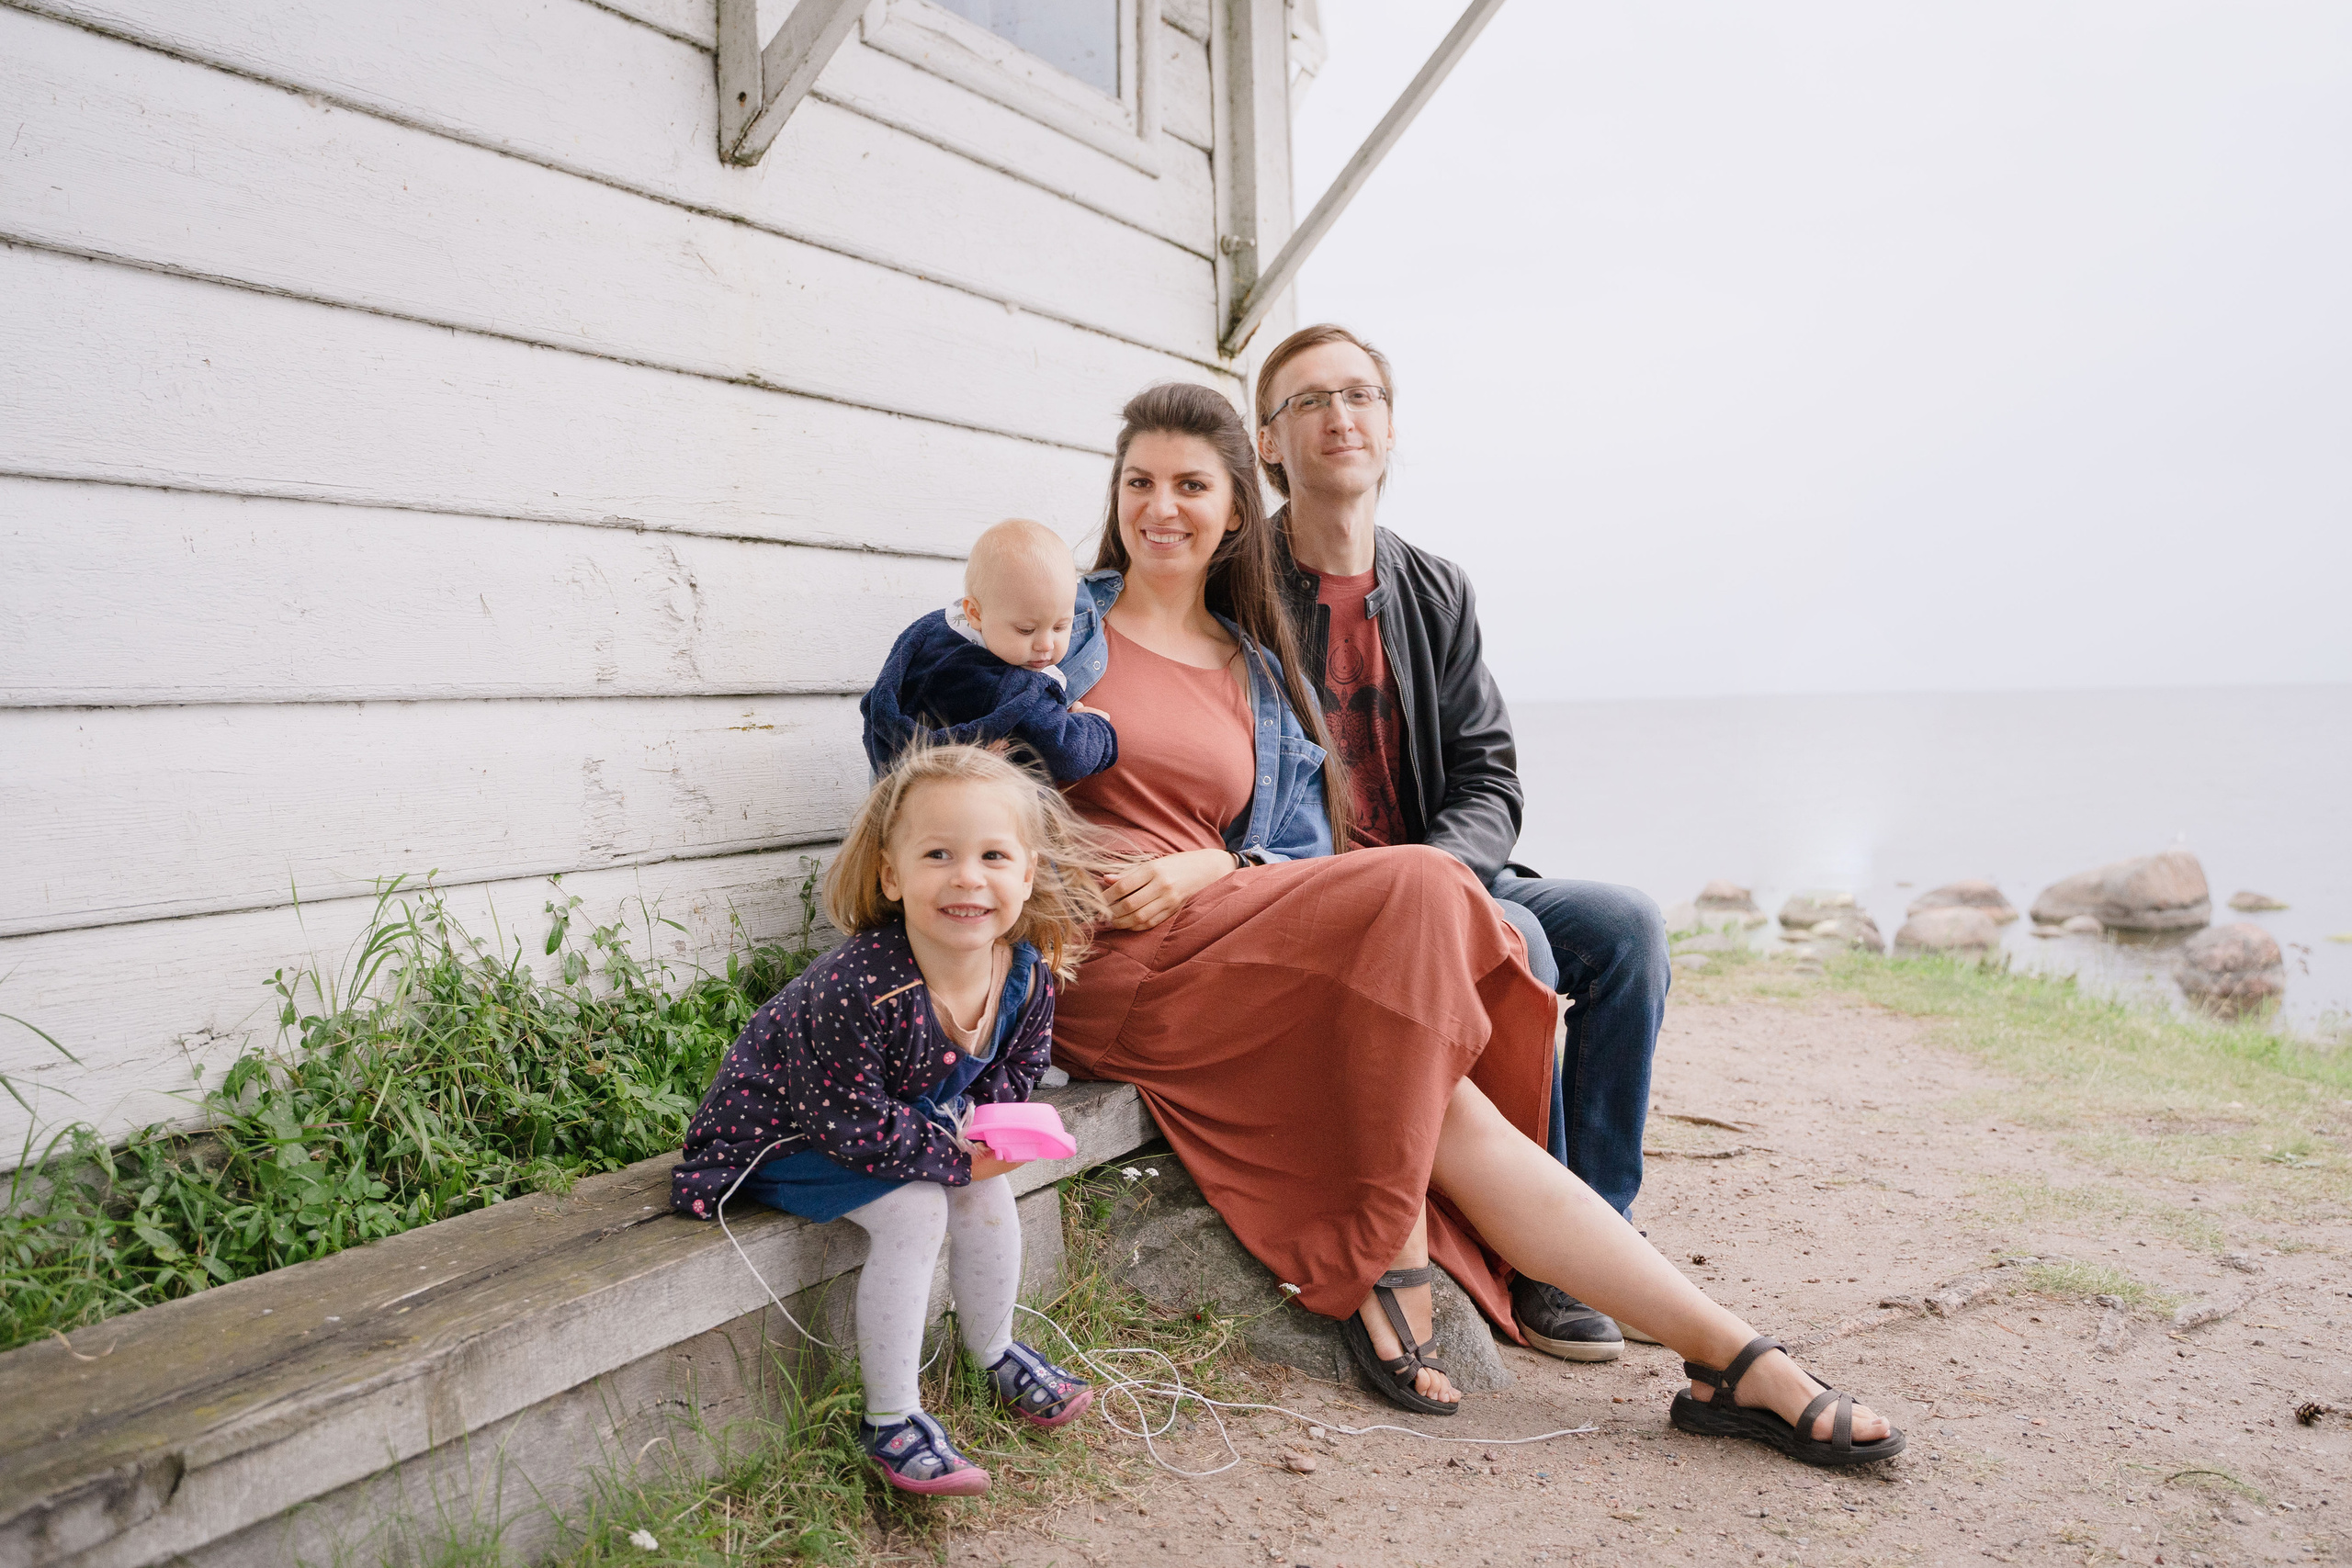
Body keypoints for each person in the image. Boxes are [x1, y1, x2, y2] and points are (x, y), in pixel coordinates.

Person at [1049, 381, 1902, 1467]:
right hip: (1103, 963)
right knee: (1424, 886)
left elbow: (1295, 849)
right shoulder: (1061, 630)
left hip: (1223, 936)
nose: (1160, 507)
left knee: (1453, 1110)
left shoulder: (1257, 668)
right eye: (1139, 483)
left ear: (1232, 513)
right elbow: (942, 751)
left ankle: (1735, 1362)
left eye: (1189, 486)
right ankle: (1389, 1243)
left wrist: (1215, 861)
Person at [1252, 322, 1670, 1364]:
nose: (1340, 416)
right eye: (1310, 400)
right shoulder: (1237, 585)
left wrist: (1442, 873)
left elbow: (1489, 777)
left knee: (1625, 927)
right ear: (1268, 442)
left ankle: (1599, 1226)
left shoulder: (1435, 587)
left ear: (1390, 427)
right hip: (1317, 898)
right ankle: (1539, 1259)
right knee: (1526, 943)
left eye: (1360, 395)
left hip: (1444, 871)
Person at [671, 743, 1109, 1495]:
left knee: (983, 1188)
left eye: (993, 855)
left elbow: (1015, 1066)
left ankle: (994, 1348)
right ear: (891, 875)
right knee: (916, 1209)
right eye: (938, 853)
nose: (967, 876)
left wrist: (989, 1132)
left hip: (891, 1118)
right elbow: (848, 1122)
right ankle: (891, 1419)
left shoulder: (1023, 972)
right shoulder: (859, 986)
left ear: (1027, 873)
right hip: (781, 1134)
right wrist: (953, 1156)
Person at [861, 517, 1118, 783]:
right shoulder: (1010, 689)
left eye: (1060, 626)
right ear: (975, 613)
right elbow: (1069, 754)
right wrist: (1096, 728)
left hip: (897, 785)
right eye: (1026, 630)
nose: (1046, 645)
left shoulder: (932, 631)